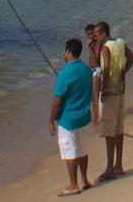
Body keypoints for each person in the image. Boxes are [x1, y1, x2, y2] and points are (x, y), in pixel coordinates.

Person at [50, 37, 95, 195]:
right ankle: (84, 180)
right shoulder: (86, 69)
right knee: (82, 149)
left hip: (68, 120)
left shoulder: (64, 74)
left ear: (68, 52)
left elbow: (57, 101)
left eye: (65, 51)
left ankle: (73, 184)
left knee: (70, 151)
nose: (64, 54)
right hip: (83, 117)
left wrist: (51, 121)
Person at [93, 20, 133, 181]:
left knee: (109, 131)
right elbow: (131, 58)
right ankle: (118, 165)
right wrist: (122, 73)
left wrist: (104, 90)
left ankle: (110, 168)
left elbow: (106, 69)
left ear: (104, 34)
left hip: (110, 93)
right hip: (121, 90)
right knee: (118, 129)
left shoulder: (106, 47)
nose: (95, 38)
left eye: (97, 35)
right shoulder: (120, 42)